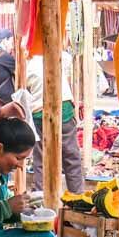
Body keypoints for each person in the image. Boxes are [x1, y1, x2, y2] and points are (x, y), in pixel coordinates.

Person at [25, 53, 84, 193]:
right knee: (71, 157)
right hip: (62, 109)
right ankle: (77, 196)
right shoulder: (61, 55)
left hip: (39, 112)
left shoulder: (28, 63)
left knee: (40, 159)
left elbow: (24, 92)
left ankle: (41, 199)